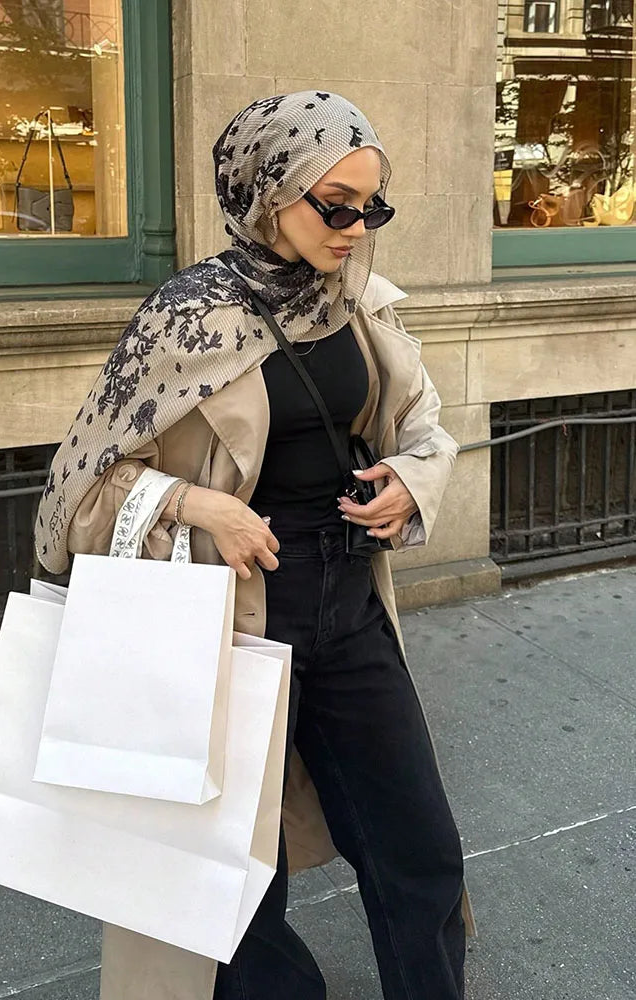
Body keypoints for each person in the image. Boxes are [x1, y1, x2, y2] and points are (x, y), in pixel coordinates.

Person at [35, 91, 473, 1000]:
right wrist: (199, 504)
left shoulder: (357, 300)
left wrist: (408, 480)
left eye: (373, 207)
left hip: (348, 599)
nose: (357, 230)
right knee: (236, 875)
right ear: (270, 191)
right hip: (231, 614)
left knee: (418, 844)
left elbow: (424, 424)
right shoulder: (184, 318)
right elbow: (75, 491)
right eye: (337, 206)